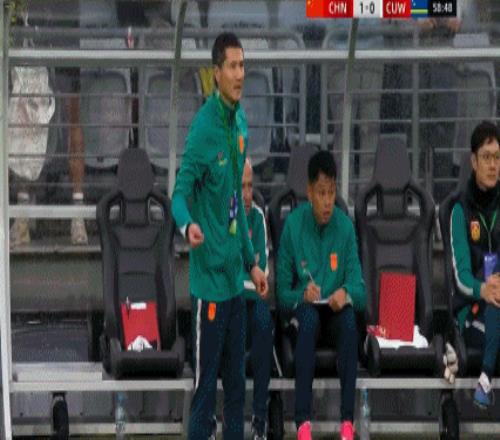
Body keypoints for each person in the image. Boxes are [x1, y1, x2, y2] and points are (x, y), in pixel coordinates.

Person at [171, 32, 268, 440]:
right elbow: (179, 194)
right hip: (208, 285)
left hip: (234, 283)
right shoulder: (203, 129)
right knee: (205, 391)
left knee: (236, 391)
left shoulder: (241, 123)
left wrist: (252, 264)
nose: (240, 74)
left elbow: (236, 207)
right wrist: (187, 225)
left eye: (243, 65)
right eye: (232, 66)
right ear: (216, 74)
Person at [276, 150, 366, 440]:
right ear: (309, 192)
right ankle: (303, 423)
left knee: (350, 321)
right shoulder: (293, 226)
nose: (328, 202)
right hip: (305, 313)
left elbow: (361, 291)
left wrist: (346, 293)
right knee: (308, 319)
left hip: (335, 315)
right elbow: (281, 296)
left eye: (332, 192)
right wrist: (302, 295)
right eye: (321, 193)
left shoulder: (345, 226)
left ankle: (347, 423)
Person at [450, 121, 500, 408]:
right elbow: (460, 277)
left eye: (497, 158)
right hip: (472, 311)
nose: (492, 165)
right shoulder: (459, 210)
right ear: (473, 161)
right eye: (486, 157)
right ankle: (485, 378)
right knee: (494, 301)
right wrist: (484, 289)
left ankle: (485, 378)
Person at [241, 157, 273, 440]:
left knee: (264, 321)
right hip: (228, 300)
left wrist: (248, 277)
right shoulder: (220, 217)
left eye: (250, 186)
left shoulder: (259, 218)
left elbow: (262, 274)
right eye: (241, 187)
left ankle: (259, 417)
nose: (247, 194)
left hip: (253, 300)